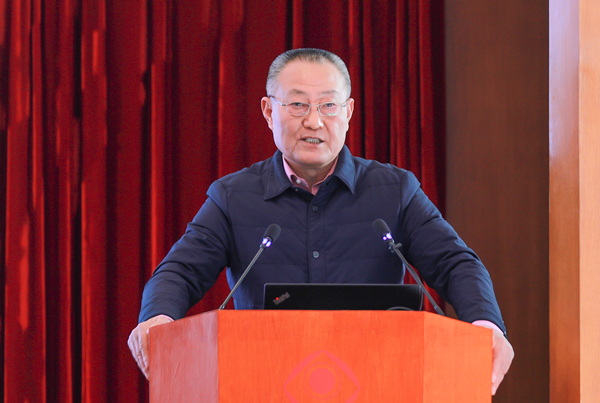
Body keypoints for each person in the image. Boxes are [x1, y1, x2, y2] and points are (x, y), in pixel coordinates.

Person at [128, 48, 514, 394]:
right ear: (269, 111)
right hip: (262, 383)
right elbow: (179, 272)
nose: (314, 122)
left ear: (348, 112)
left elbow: (455, 263)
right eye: (298, 105)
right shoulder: (233, 197)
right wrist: (157, 318)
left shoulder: (395, 191)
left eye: (328, 105)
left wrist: (486, 325)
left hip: (380, 382)